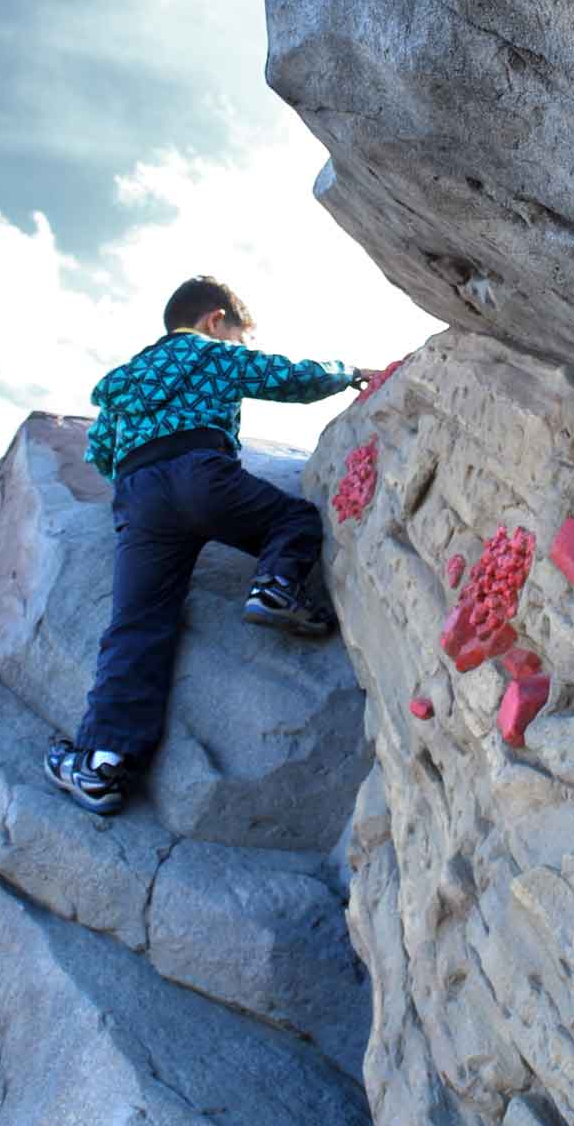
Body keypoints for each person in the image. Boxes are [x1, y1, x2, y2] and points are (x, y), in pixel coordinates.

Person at [45, 275, 374, 814]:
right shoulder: (209, 353)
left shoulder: (127, 381)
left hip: (139, 496)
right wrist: (346, 374)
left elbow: (99, 452)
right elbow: (282, 376)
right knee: (291, 519)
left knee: (137, 628)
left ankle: (101, 765)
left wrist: (137, 480)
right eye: (239, 336)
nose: (240, 346)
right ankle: (274, 588)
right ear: (215, 321)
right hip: (203, 474)